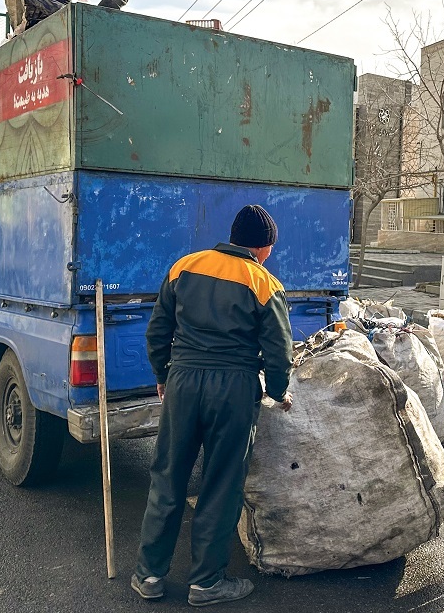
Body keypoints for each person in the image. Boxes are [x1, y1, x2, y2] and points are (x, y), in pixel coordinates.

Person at [132, 204, 294, 607]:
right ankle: (206, 583)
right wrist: (277, 391)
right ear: (265, 247)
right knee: (221, 484)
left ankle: (148, 574)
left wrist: (163, 375)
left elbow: (158, 330)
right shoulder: (264, 282)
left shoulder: (183, 267)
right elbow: (279, 350)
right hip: (234, 387)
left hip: (183, 381)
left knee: (168, 477)